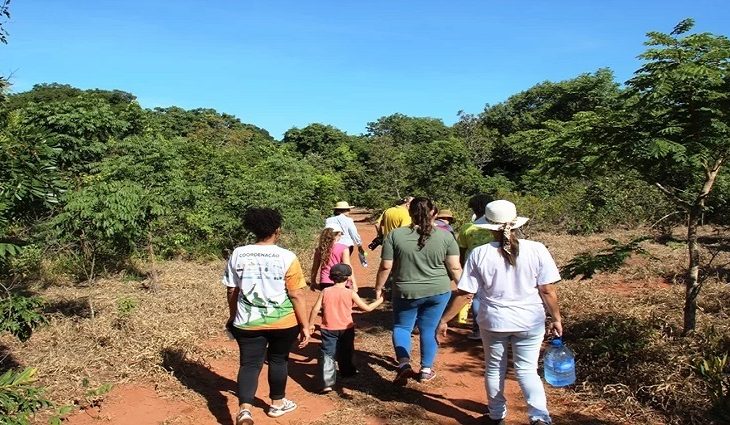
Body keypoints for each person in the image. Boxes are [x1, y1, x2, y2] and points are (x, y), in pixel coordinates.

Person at [438, 200, 563, 425]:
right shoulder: (537, 249)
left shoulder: (479, 254)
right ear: (516, 224)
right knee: (527, 370)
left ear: (488, 226)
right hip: (529, 321)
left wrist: (445, 320)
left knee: (495, 367)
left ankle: (496, 415)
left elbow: (466, 293)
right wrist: (556, 318)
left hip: (493, 321)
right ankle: (540, 417)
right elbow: (547, 289)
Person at [223, 208, 311, 425]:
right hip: (283, 321)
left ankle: (244, 410)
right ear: (277, 230)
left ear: (252, 228)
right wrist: (305, 325)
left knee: (249, 364)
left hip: (247, 321)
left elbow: (231, 290)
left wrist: (233, 316)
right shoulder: (287, 257)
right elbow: (296, 294)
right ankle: (277, 404)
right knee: (278, 360)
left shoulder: (238, 253)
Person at [374, 197, 462, 384]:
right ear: (434, 214)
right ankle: (426, 370)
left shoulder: (395, 236)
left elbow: (385, 267)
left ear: (409, 213)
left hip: (405, 290)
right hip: (438, 291)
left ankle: (404, 363)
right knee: (429, 329)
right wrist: (464, 289)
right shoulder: (446, 236)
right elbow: (455, 268)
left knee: (402, 327)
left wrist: (379, 288)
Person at [307, 263, 384, 393]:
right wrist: (380, 300)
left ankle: (327, 382)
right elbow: (367, 308)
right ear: (348, 277)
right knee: (346, 350)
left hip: (328, 328)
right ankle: (347, 372)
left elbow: (315, 309)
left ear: (331, 277)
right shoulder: (350, 293)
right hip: (346, 328)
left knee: (327, 353)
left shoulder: (326, 291)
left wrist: (310, 324)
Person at [456, 194, 494, 340]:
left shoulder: (467, 228)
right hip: (495, 265)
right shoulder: (495, 227)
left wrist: (461, 266)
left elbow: (462, 249)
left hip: (473, 265)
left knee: (476, 297)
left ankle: (478, 330)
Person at [310, 224, 358, 291]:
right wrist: (354, 283)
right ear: (337, 235)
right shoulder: (344, 248)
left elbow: (315, 267)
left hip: (325, 281)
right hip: (341, 281)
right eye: (340, 234)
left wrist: (313, 281)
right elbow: (348, 266)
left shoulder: (320, 249)